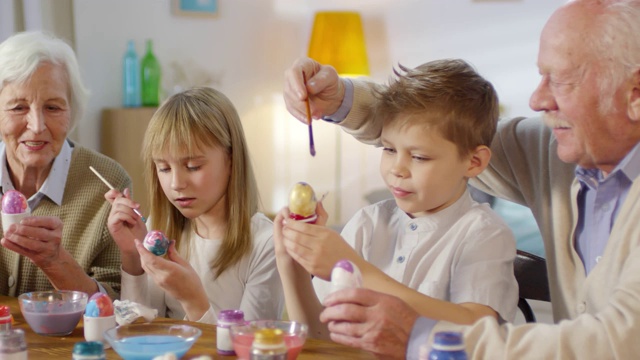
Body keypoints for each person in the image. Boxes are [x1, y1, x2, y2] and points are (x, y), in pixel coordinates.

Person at [283, 0, 640, 358]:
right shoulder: (559, 146)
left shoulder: (482, 232)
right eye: (540, 76)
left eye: (562, 80)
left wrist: (415, 332)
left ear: (635, 94)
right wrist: (339, 98)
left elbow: (617, 342)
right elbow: (428, 128)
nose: (537, 99)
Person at [275, 59, 517, 340]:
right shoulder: (368, 223)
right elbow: (319, 337)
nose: (396, 169)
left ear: (474, 162)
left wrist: (355, 268)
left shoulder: (483, 233)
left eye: (419, 157)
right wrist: (291, 264)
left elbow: (477, 329)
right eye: (389, 149)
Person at [106, 87, 284, 323]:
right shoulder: (161, 231)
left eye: (193, 167)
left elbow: (250, 351)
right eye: (164, 169)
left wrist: (193, 300)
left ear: (231, 161)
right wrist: (132, 256)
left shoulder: (267, 244)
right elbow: (139, 329)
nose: (177, 184)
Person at [0, 31, 130, 299]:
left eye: (53, 108)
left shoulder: (107, 183)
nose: (36, 127)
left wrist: (56, 262)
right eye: (18, 108)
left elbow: (120, 303)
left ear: (72, 111)